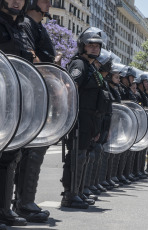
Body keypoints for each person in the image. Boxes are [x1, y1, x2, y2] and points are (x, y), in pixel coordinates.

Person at [12, 0, 60, 223]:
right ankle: (23, 203)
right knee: (29, 151)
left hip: (40, 95)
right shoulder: (25, 25)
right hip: (29, 95)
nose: (49, 4)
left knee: (36, 149)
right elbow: (31, 58)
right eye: (45, 1)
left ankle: (25, 200)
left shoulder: (38, 26)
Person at [60, 28, 104, 209]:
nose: (94, 48)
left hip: (90, 118)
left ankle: (77, 192)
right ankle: (70, 195)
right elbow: (71, 88)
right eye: (90, 45)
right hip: (80, 117)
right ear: (82, 46)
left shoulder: (91, 66)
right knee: (77, 156)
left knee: (83, 155)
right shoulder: (79, 64)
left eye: (97, 45)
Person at [0, 0, 34, 226]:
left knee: (11, 155)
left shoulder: (21, 27)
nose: (16, 1)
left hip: (15, 98)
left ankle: (4, 209)